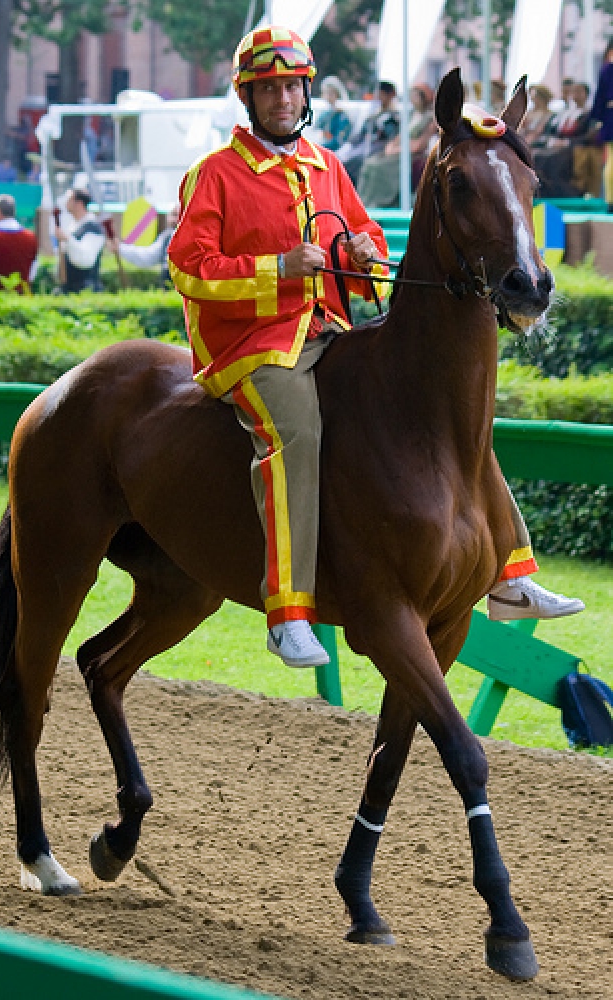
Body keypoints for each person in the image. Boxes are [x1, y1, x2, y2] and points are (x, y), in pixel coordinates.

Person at [168, 26, 584, 668]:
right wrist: (277, 269)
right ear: (248, 99)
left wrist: (363, 252)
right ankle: (288, 611)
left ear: (305, 93)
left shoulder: (325, 165)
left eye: (291, 87)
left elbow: (362, 235)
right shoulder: (213, 174)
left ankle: (510, 570)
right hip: (249, 349)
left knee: (442, 413)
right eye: (269, 89)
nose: (282, 99)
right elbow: (189, 268)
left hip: (327, 334)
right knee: (297, 434)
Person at [357, 83, 436, 208]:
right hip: (399, 151)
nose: (413, 99)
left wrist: (398, 149)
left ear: (423, 97)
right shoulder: (410, 115)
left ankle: (379, 201)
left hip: (412, 154)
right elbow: (400, 135)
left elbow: (420, 145)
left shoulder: (430, 118)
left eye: (416, 96)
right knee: (368, 163)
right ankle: (363, 202)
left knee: (377, 167)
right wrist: (391, 146)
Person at [337, 81, 399, 186]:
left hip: (379, 146)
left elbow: (390, 136)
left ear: (390, 95)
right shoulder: (374, 113)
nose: (379, 97)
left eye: (382, 94)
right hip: (364, 144)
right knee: (342, 158)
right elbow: (361, 133)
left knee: (354, 161)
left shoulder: (394, 116)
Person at [107, 203, 180, 287]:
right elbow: (147, 256)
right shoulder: (166, 237)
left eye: (180, 215)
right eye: (174, 215)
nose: (176, 219)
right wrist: (119, 248)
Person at [54, 188, 105, 293]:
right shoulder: (73, 225)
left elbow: (86, 259)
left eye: (69, 199)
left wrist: (68, 239)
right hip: (70, 288)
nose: (66, 202)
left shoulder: (93, 227)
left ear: (79, 203)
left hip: (86, 289)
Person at [589, 38, 613, 211]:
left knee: (611, 162)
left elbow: (600, 97)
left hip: (611, 117)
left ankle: (611, 200)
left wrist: (596, 119)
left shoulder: (607, 69)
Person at [315, 75, 352, 151]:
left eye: (331, 93)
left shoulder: (342, 116)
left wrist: (320, 147)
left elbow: (339, 141)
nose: (328, 96)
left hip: (335, 152)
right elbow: (316, 129)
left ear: (337, 94)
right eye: (326, 93)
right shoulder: (324, 113)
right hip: (320, 147)